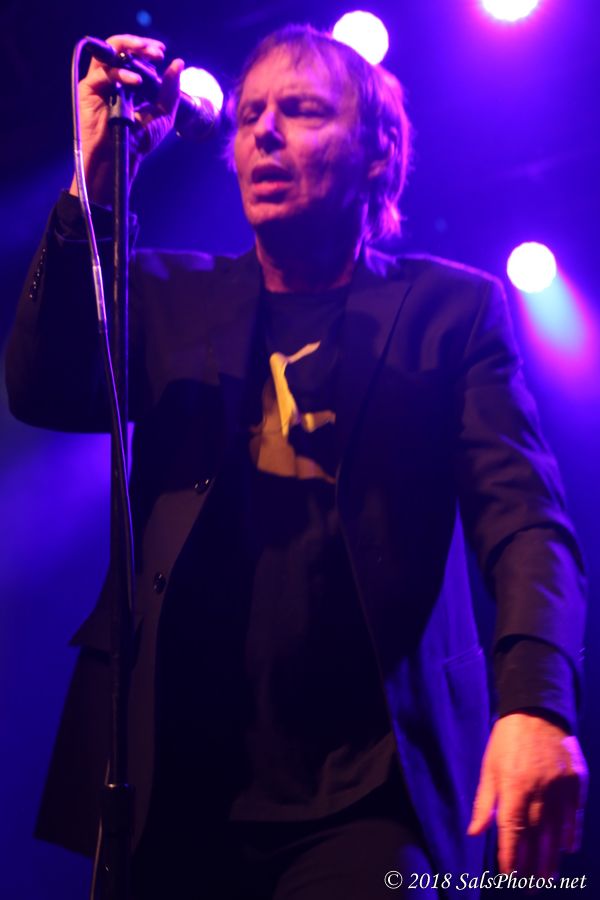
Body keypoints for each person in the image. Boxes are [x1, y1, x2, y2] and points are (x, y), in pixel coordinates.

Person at [6, 24, 588, 900]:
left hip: (370, 797)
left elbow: (525, 522)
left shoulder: (451, 312)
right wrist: (98, 179)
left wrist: (536, 702)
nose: (266, 133)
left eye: (303, 110)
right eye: (249, 117)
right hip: (178, 784)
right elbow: (43, 387)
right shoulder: (169, 297)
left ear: (377, 152)